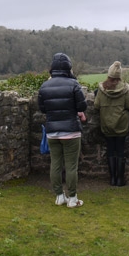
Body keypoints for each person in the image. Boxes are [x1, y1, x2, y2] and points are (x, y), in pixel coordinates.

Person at [38, 53, 87, 208]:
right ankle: (72, 199)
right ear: (68, 67)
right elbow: (82, 106)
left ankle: (59, 196)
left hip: (52, 131)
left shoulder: (44, 86)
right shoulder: (73, 84)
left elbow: (42, 109)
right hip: (71, 131)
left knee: (56, 164)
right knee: (71, 166)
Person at [94, 61, 129, 186]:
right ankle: (120, 180)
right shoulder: (125, 89)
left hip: (106, 124)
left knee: (110, 150)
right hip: (121, 125)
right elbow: (128, 105)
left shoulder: (102, 89)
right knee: (120, 151)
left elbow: (96, 105)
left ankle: (112, 179)